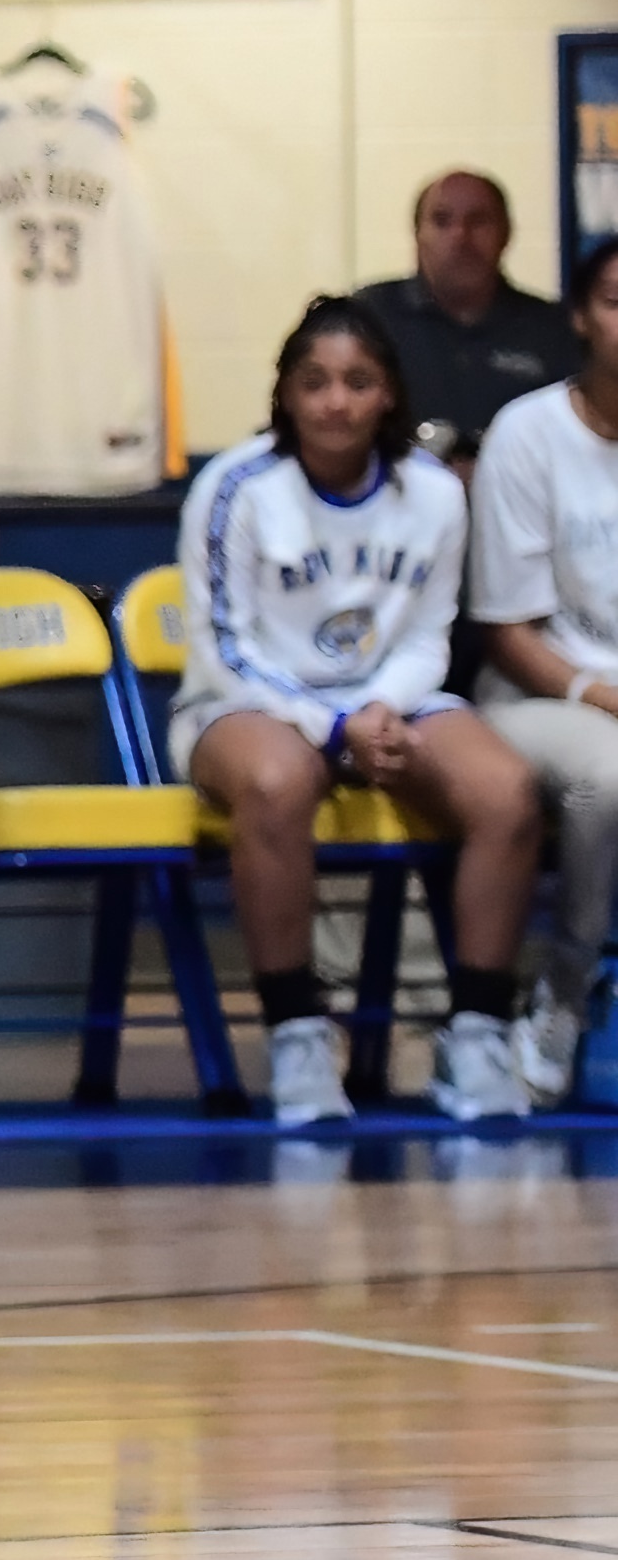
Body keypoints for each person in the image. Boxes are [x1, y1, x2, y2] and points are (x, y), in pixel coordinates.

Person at [173, 295, 538, 1125]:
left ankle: (475, 1030)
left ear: (388, 395)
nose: (335, 401)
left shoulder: (436, 493)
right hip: (239, 706)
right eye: (315, 382)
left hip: (388, 700)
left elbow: (428, 635)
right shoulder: (233, 487)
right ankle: (298, 1032)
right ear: (286, 396)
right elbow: (225, 649)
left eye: (357, 381)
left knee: (506, 792)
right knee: (276, 779)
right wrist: (332, 726)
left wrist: (375, 711)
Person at [467, 235, 618, 1105]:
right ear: (580, 317)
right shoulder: (530, 433)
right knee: (608, 778)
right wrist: (600, 692)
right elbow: (506, 630)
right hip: (538, 694)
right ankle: (561, 986)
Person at [354, 173, 582, 470]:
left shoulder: (555, 330)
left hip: (518, 506)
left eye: (478, 221)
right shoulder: (368, 317)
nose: (460, 236)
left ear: (506, 234)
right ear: (418, 235)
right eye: (442, 221)